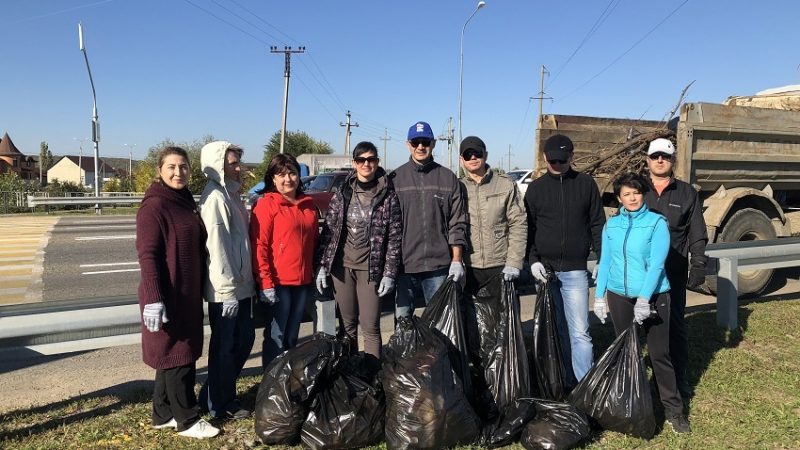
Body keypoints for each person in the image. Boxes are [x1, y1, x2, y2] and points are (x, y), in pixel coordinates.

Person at [592, 172, 690, 433]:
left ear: (643, 194)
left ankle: (674, 411)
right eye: (626, 194)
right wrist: (599, 296)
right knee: (627, 354)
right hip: (619, 296)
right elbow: (606, 263)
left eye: (635, 192)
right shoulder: (611, 226)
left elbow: (657, 264)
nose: (632, 197)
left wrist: (645, 299)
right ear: (619, 198)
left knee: (660, 355)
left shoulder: (657, 223)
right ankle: (630, 406)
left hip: (655, 296)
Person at [136, 146, 219, 439]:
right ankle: (187, 419)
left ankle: (163, 414)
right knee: (179, 355)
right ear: (160, 169)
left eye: (183, 167)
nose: (178, 172)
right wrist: (154, 297)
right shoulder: (154, 206)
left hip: (185, 291)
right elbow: (148, 255)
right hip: (165, 294)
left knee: (167, 355)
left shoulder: (183, 200)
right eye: (171, 167)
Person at [524, 133, 605, 383]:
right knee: (556, 329)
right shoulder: (536, 189)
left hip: (575, 271)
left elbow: (597, 224)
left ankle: (584, 385)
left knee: (580, 331)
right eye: (553, 161)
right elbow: (528, 229)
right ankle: (562, 381)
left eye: (562, 161)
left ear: (571, 157)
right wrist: (533, 259)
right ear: (545, 158)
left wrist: (602, 259)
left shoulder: (585, 184)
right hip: (545, 272)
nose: (557, 165)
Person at [316, 141, 402, 361]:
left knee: (371, 326)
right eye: (361, 160)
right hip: (342, 269)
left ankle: (372, 376)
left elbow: (394, 236)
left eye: (371, 159)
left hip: (371, 270)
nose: (367, 164)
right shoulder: (342, 192)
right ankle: (351, 375)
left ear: (377, 162)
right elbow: (329, 231)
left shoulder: (387, 195)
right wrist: (323, 266)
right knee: (347, 326)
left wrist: (389, 273)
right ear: (354, 163)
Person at [643, 137, 708, 401]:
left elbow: (697, 232)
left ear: (672, 161)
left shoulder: (686, 193)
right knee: (639, 327)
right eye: (655, 156)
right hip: (640, 274)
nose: (660, 160)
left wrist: (699, 264)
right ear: (647, 160)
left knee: (675, 327)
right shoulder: (636, 190)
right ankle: (638, 383)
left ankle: (678, 380)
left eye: (666, 157)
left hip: (674, 272)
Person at [197, 141, 255, 420]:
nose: (238, 167)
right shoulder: (215, 198)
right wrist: (226, 290)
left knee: (244, 340)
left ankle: (217, 393)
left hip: (241, 285)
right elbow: (217, 247)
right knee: (225, 347)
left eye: (237, 162)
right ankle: (218, 403)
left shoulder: (230, 195)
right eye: (232, 163)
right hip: (226, 290)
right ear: (217, 165)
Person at [391, 121, 468, 319]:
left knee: (439, 323)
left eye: (425, 141)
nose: (420, 147)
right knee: (403, 325)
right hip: (404, 266)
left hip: (438, 266)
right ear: (408, 144)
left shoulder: (448, 178)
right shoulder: (394, 179)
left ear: (433, 143)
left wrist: (457, 260)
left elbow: (457, 222)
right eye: (416, 142)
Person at [250, 153, 319, 369]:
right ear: (272, 178)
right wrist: (265, 282)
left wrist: (317, 271)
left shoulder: (308, 205)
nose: (288, 179)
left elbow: (314, 242)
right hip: (278, 284)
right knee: (276, 337)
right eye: (281, 174)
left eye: (292, 173)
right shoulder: (266, 205)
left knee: (292, 336)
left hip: (303, 282)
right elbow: (259, 246)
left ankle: (287, 380)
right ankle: (271, 385)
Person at [458, 135, 527, 292]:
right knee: (471, 316)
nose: (473, 157)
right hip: (470, 266)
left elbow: (518, 223)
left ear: (486, 155)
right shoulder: (457, 187)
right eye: (468, 155)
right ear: (462, 159)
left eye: (477, 153)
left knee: (505, 315)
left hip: (501, 265)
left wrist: (514, 262)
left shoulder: (505, 184)